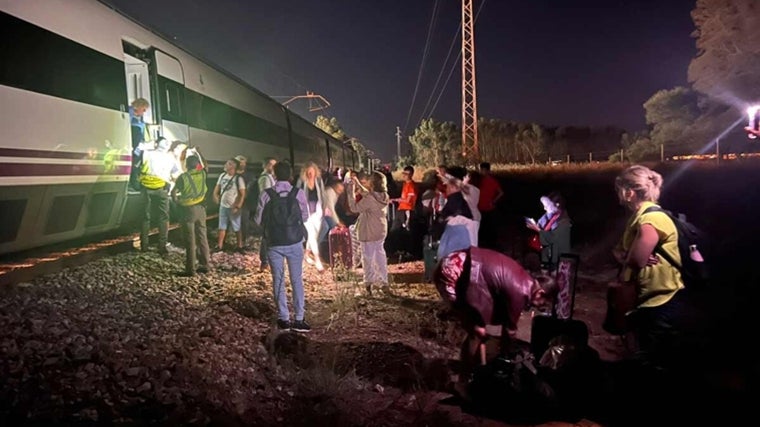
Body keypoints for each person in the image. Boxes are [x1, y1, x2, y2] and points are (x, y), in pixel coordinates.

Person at [433, 247, 558, 398]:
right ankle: (463, 382)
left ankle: (478, 371)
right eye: (542, 303)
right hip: (453, 271)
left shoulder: (525, 279)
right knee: (477, 331)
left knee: (480, 329)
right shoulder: (521, 291)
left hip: (465, 266)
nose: (539, 307)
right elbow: (510, 331)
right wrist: (506, 355)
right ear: (540, 293)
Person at [613, 165, 690, 377]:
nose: (618, 194)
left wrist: (632, 255)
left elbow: (636, 259)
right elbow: (619, 252)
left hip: (661, 301)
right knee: (648, 358)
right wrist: (630, 253)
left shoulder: (651, 218)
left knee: (656, 364)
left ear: (629, 192)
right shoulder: (638, 218)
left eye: (620, 189)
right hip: (648, 300)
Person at [255, 161, 311, 333]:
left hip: (274, 244)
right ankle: (299, 319)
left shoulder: (266, 194)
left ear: (274, 175)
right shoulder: (298, 193)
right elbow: (306, 217)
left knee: (278, 280)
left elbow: (258, 220)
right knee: (296, 280)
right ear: (290, 175)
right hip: (294, 242)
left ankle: (284, 319)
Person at [348, 170, 390, 295]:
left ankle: (368, 285)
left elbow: (354, 207)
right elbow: (368, 195)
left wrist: (350, 190)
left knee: (367, 258)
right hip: (380, 230)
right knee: (380, 255)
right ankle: (383, 282)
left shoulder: (371, 199)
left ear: (373, 183)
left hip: (369, 231)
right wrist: (356, 183)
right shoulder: (384, 196)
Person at [171, 155, 211, 276]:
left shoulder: (183, 177)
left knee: (190, 240)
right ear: (197, 165)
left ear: (186, 165)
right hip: (201, 209)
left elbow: (173, 193)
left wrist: (177, 201)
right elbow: (205, 165)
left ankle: (190, 270)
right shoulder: (202, 173)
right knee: (202, 237)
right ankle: (205, 265)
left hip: (188, 210)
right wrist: (199, 152)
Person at [138, 138, 179, 255]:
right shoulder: (170, 158)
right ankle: (162, 246)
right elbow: (175, 174)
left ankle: (144, 246)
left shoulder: (147, 153)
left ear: (156, 144)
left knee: (145, 217)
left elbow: (138, 164)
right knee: (164, 218)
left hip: (146, 188)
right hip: (161, 189)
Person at [526, 191, 572, 271]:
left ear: (557, 205)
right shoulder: (551, 213)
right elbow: (540, 223)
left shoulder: (563, 220)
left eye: (548, 205)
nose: (545, 208)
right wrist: (534, 225)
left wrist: (538, 229)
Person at [296, 162, 327, 271]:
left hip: (317, 211)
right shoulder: (301, 181)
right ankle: (317, 260)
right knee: (312, 234)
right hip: (306, 211)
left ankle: (306, 254)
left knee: (313, 235)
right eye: (308, 172)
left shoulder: (319, 181)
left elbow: (322, 194)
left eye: (311, 172)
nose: (310, 174)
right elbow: (296, 195)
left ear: (315, 172)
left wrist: (325, 207)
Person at [213, 158, 246, 253]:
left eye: (228, 163)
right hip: (223, 206)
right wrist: (215, 195)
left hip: (233, 207)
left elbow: (242, 194)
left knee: (237, 227)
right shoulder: (222, 176)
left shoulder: (238, 179)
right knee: (221, 226)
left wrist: (237, 206)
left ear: (233, 167)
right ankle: (219, 246)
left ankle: (239, 246)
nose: (226, 165)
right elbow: (217, 188)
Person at [256, 157, 277, 271]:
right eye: (272, 165)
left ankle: (267, 260)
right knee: (266, 236)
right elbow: (265, 196)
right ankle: (264, 261)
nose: (274, 168)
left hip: (269, 210)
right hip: (267, 211)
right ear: (266, 165)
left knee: (268, 235)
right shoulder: (264, 178)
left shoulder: (270, 177)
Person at [477, 162, 504, 250]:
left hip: (489, 209)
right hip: (479, 208)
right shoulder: (478, 181)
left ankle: (492, 246)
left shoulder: (492, 181)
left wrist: (493, 201)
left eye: (484, 170)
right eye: (481, 170)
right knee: (481, 228)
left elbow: (501, 192)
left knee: (490, 228)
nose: (482, 172)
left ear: (488, 171)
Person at [234, 155, 254, 249]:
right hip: (232, 202)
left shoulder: (249, 175)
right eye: (239, 162)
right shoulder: (231, 174)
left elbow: (251, 188)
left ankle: (243, 242)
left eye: (243, 162)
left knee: (244, 222)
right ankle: (235, 241)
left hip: (245, 203)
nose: (242, 164)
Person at [392, 166, 417, 230]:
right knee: (395, 229)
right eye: (404, 173)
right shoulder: (405, 184)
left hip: (407, 210)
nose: (404, 176)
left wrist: (396, 200)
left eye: (406, 174)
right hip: (401, 209)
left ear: (411, 175)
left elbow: (408, 200)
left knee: (405, 229)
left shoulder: (411, 186)